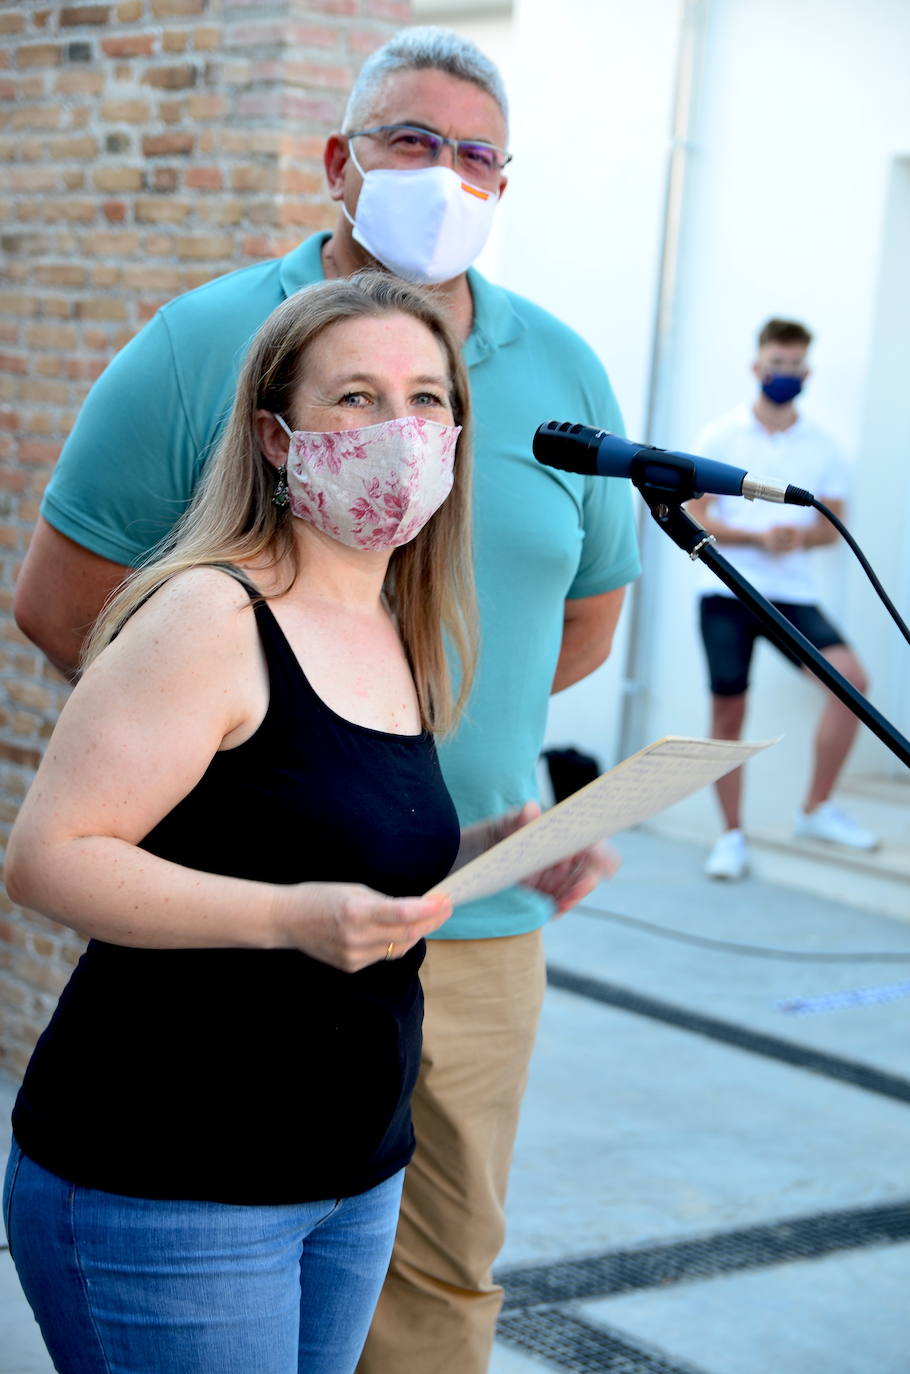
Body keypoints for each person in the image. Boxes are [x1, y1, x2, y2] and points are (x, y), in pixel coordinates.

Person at [12, 27, 640, 1372]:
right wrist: (244, 777)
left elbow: (579, 624)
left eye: (477, 154)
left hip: (427, 966)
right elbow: (66, 635)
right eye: (411, 141)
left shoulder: (404, 605)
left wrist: (470, 845)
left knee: (440, 1282)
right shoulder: (209, 531)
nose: (397, 430)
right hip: (200, 1100)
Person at [2, 271, 491, 1373]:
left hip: (349, 1172)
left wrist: (504, 848)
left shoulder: (392, 620)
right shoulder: (211, 615)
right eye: (355, 399)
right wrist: (291, 920)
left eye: (424, 399)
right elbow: (50, 859)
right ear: (277, 437)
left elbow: (319, 840)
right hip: (173, 1179)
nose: (398, 432)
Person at [690, 317, 877, 882]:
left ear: (807, 372)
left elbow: (832, 523)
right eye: (776, 365)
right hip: (726, 589)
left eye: (795, 367)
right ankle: (731, 835)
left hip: (792, 593)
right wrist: (754, 538)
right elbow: (695, 511)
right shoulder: (719, 437)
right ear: (757, 367)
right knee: (728, 708)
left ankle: (815, 810)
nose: (785, 375)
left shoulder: (825, 446)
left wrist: (799, 536)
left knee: (852, 684)